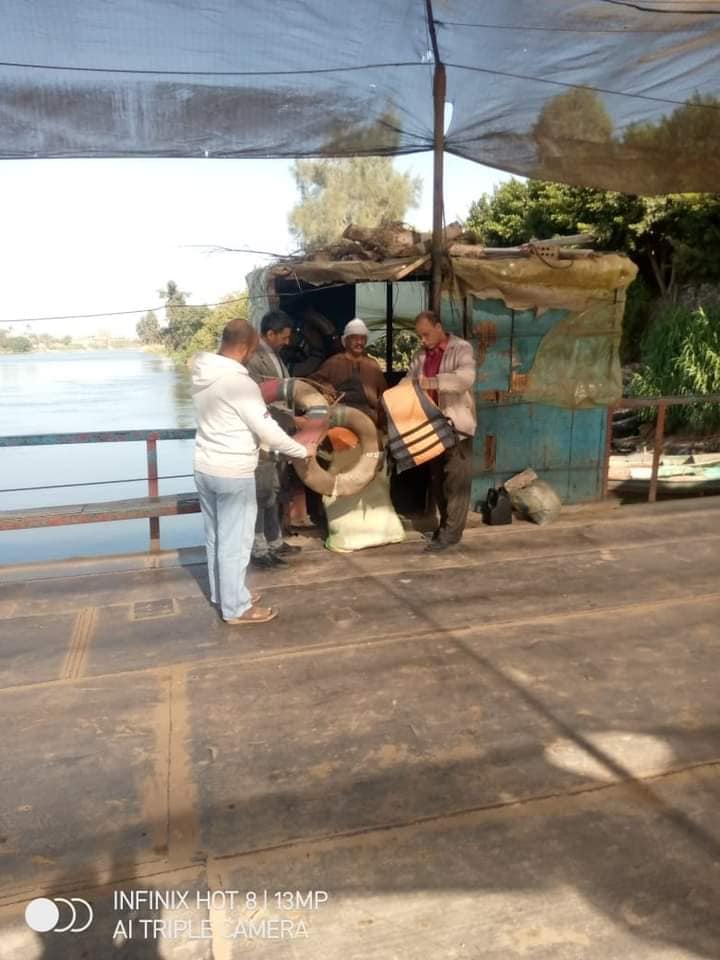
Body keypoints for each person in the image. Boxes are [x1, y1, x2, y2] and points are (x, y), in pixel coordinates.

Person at [191, 318, 313, 624]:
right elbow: (267, 430)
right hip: (233, 472)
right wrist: (302, 450)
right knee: (236, 542)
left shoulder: (202, 373)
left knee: (215, 537)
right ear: (245, 347)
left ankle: (224, 593)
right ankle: (236, 608)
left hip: (205, 467)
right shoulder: (239, 383)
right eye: (253, 349)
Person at [405, 310, 477, 552]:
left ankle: (451, 534)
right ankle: (446, 526)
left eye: (426, 334)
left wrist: (432, 382)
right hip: (431, 427)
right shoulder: (420, 355)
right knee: (437, 481)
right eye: (420, 336)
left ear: (439, 327)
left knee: (456, 481)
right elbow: (408, 380)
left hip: (457, 426)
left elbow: (464, 379)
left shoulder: (461, 349)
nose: (423, 340)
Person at [246, 309, 302, 569]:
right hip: (262, 436)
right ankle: (259, 550)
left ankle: (275, 541)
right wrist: (292, 419)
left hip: (278, 434)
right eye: (284, 337)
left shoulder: (275, 356)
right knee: (261, 492)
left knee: (275, 489)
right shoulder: (253, 359)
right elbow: (259, 400)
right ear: (270, 333)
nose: (287, 342)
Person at [313, 318, 388, 427]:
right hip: (340, 411)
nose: (359, 342)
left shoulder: (372, 364)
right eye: (355, 338)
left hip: (368, 413)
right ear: (345, 341)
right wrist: (325, 386)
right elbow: (313, 382)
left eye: (363, 339)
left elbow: (384, 393)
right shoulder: (333, 362)